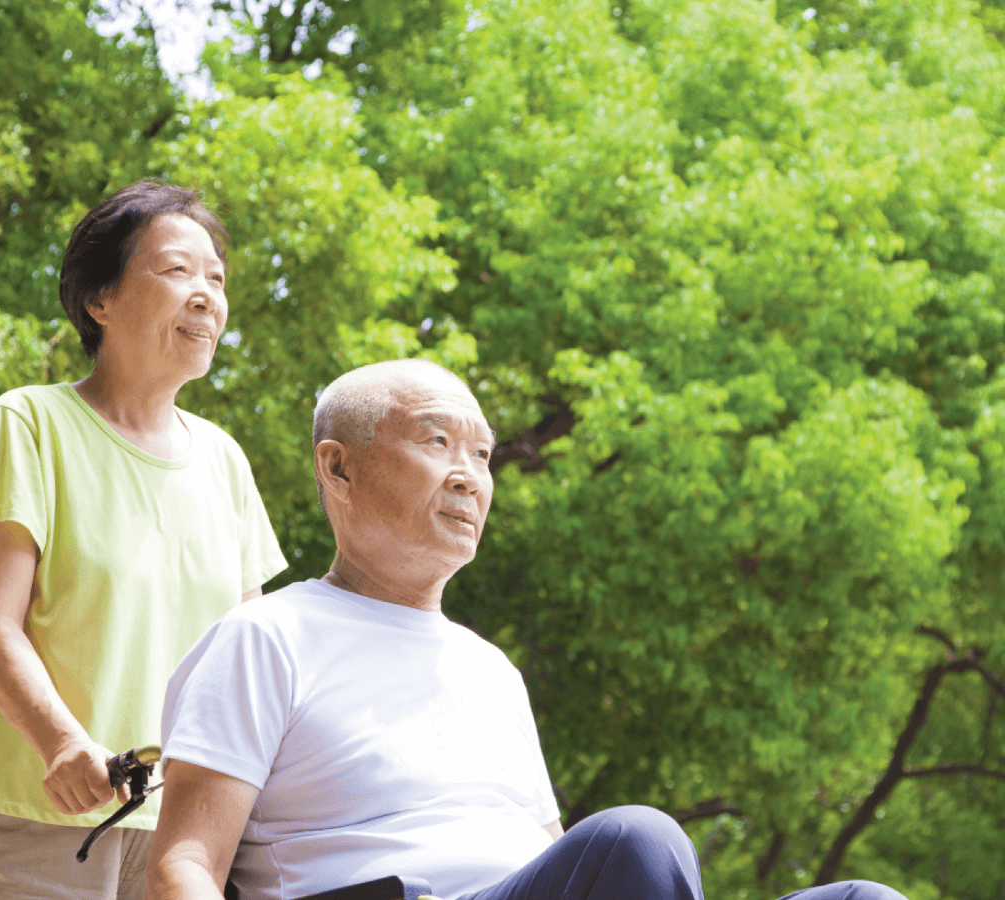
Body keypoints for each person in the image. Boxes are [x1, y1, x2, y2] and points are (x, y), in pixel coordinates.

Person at [144, 359, 908, 900]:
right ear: (339, 468)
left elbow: (553, 860)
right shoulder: (266, 636)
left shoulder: (490, 669)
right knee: (636, 839)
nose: (469, 475)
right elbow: (183, 865)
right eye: (437, 443)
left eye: (481, 454)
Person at [0, 181, 288, 900]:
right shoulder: (29, 424)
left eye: (216, 279)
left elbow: (244, 659)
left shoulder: (224, 460)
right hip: (26, 822)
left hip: (182, 840)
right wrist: (62, 742)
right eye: (178, 270)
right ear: (101, 299)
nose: (207, 297)